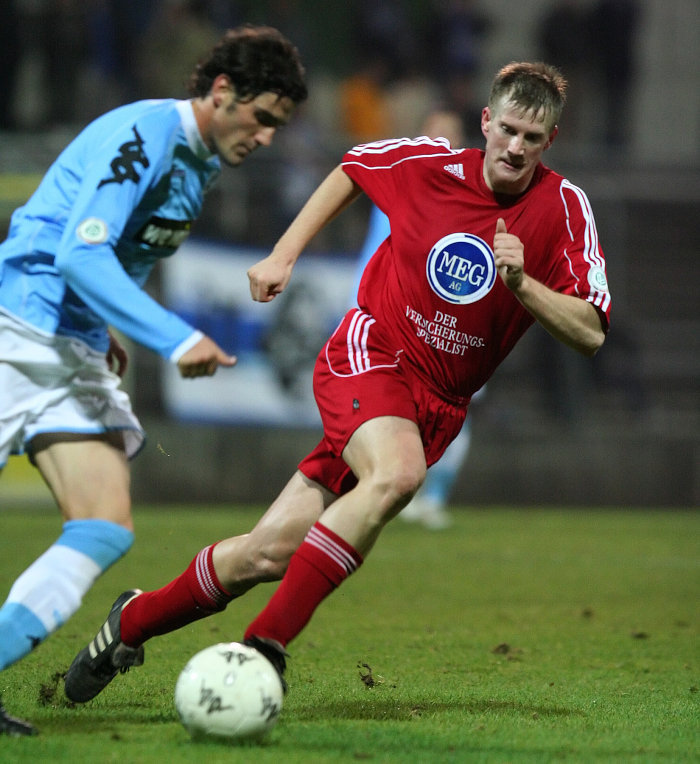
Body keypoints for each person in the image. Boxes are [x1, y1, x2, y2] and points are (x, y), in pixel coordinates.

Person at [64, 62, 610, 705]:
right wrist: (284, 253)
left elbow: (590, 332)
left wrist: (523, 285)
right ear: (487, 122)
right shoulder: (429, 164)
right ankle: (264, 646)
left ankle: (132, 622)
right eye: (509, 130)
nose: (516, 147)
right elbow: (353, 166)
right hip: (373, 353)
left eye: (533, 138)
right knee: (398, 475)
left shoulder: (564, 209)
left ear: (551, 141)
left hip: (436, 407)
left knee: (266, 555)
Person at [0, 25, 307, 735]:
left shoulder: (199, 165)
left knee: (103, 525)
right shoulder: (146, 137)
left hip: (67, 347)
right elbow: (80, 255)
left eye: (278, 126)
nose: (265, 137)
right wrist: (175, 337)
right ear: (222, 91)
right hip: (20, 330)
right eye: (261, 117)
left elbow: (122, 257)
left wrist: (107, 326)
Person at [353, 108, 478, 530]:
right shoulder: (401, 178)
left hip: (454, 320)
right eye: (434, 133)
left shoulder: (475, 194)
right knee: (389, 403)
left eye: (449, 134)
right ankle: (388, 486)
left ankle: (434, 495)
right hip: (395, 313)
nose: (440, 141)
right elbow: (376, 247)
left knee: (452, 409)